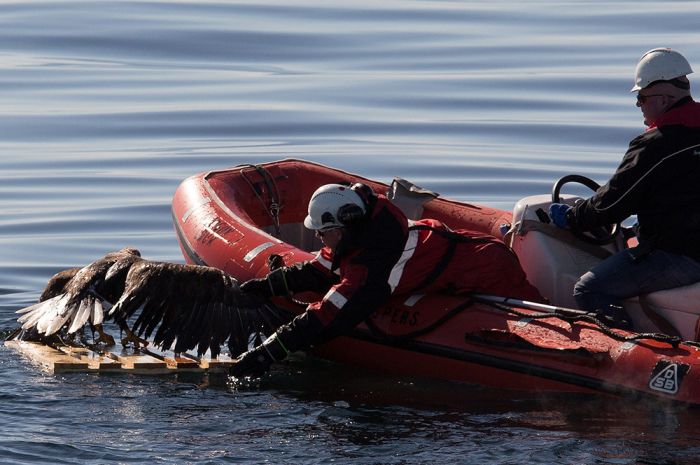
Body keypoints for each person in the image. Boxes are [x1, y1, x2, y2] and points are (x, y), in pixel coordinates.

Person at [230, 182, 544, 377]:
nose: (318, 237)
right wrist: (268, 286)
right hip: (471, 256)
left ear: (343, 227)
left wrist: (268, 352)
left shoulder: (373, 264)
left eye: (323, 231)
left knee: (540, 323)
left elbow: (332, 314)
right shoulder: (360, 235)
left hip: (489, 268)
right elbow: (320, 269)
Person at [549, 47, 700, 328]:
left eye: (641, 98)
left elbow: (610, 205)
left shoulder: (656, 145)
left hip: (681, 256)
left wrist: (571, 217)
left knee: (590, 289)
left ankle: (625, 356)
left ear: (664, 98)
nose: (639, 106)